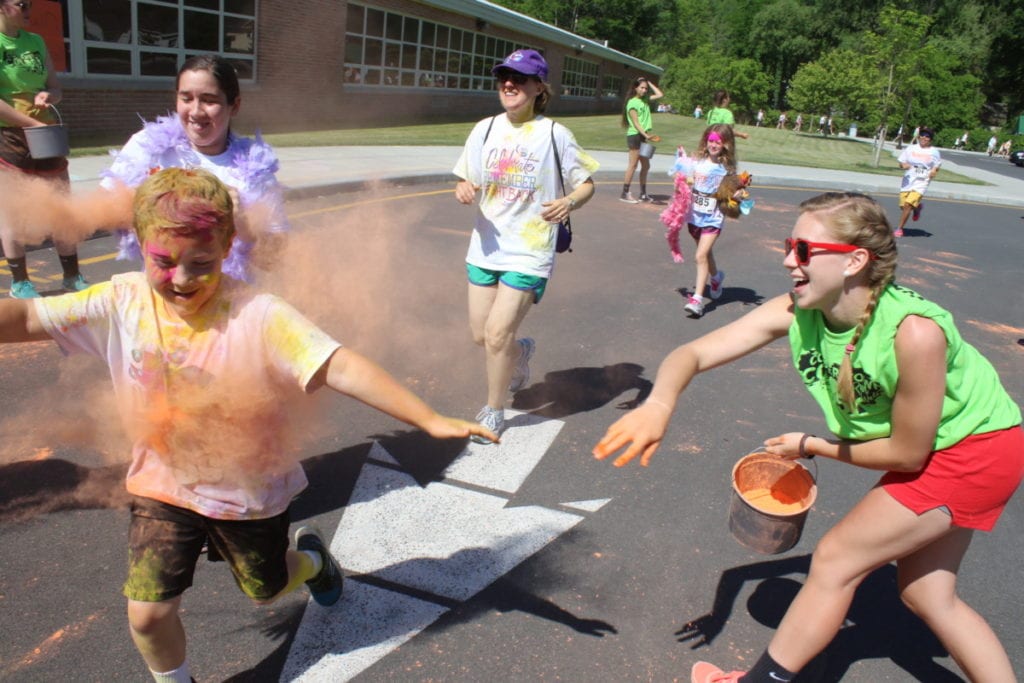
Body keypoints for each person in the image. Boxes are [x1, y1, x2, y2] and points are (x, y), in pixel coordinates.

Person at [0, 167, 498, 682]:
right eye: (163, 262)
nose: (182, 278)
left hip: (246, 493)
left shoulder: (258, 315)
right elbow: (29, 318)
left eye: (201, 262)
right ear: (140, 244)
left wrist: (429, 418)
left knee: (267, 588)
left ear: (227, 246)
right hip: (162, 486)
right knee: (147, 613)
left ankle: (310, 562)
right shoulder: (122, 300)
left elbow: (339, 365)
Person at [593, 191, 1023, 683]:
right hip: (959, 448)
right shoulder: (799, 311)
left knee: (836, 559)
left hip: (973, 452)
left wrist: (811, 445)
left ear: (855, 261)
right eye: (787, 245)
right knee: (927, 595)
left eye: (802, 250)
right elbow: (692, 354)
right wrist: (660, 403)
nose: (786, 261)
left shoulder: (913, 334)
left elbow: (907, 453)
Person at [453, 49, 597, 440]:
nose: (509, 84)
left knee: (498, 334)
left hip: (530, 250)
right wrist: (463, 187)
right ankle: (520, 353)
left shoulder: (554, 135)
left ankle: (494, 409)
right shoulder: (484, 129)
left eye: (519, 78)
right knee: (481, 336)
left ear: (538, 87)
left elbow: (587, 184)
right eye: (504, 77)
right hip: (485, 246)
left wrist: (568, 202)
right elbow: (466, 179)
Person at [102, 54, 288, 283]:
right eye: (186, 98)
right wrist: (151, 205)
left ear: (235, 105)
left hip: (227, 307)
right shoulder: (148, 147)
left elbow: (276, 261)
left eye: (209, 100)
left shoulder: (257, 170)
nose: (196, 111)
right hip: (163, 296)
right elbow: (102, 212)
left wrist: (242, 224)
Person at [1, 0, 88, 298]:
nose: (28, 8)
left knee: (61, 206)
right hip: (9, 136)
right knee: (11, 212)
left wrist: (48, 95)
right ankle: (20, 282)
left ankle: (72, 275)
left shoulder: (35, 41)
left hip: (45, 133)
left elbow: (57, 88)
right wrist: (30, 124)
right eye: (20, 3)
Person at [676, 124, 742, 319]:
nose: (713, 144)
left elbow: (734, 190)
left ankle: (697, 300)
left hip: (713, 217)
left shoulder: (726, 169)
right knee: (705, 255)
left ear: (726, 144)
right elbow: (683, 177)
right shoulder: (697, 161)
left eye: (718, 141)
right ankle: (716, 278)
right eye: (711, 140)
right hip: (694, 215)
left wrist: (737, 195)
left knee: (700, 255)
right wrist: (682, 164)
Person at [619, 75, 663, 203]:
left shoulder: (645, 100)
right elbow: (636, 122)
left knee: (646, 165)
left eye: (646, 88)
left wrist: (649, 82)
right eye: (642, 88)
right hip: (635, 136)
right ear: (635, 88)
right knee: (633, 165)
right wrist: (646, 135)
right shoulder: (632, 103)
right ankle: (625, 193)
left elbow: (659, 94)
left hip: (643, 136)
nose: (644, 90)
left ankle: (643, 194)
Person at [895, 126, 941, 236]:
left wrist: (934, 170)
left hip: (922, 180)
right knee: (903, 206)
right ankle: (917, 208)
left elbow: (937, 164)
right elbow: (901, 162)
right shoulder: (911, 148)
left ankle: (899, 229)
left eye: (927, 136)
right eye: (922, 135)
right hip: (909, 178)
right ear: (919, 136)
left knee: (907, 205)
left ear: (930, 139)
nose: (924, 138)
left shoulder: (934, 152)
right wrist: (903, 165)